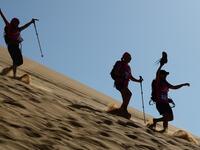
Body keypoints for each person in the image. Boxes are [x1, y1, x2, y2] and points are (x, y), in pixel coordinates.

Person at [148, 52, 190, 133]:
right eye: (164, 74)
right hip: (160, 103)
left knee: (169, 118)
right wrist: (161, 65)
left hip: (165, 103)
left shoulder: (166, 83)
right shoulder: (157, 82)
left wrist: (183, 84)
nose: (166, 75)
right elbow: (157, 73)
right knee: (168, 117)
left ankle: (164, 130)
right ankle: (155, 121)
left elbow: (174, 87)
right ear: (161, 75)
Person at [0, 9, 35, 78]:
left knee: (20, 62)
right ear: (13, 23)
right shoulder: (10, 26)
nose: (17, 24)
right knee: (16, 60)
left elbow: (24, 26)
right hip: (11, 46)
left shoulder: (16, 28)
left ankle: (9, 70)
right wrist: (31, 22)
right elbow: (3, 16)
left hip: (15, 46)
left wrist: (31, 22)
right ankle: (14, 75)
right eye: (16, 23)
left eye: (17, 23)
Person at [111, 52, 143, 116]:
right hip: (119, 83)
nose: (130, 59)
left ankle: (120, 111)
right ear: (125, 57)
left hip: (124, 85)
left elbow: (130, 77)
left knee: (126, 98)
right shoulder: (119, 63)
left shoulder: (128, 67)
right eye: (129, 58)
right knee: (129, 94)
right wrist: (121, 75)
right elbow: (116, 72)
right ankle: (123, 110)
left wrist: (138, 81)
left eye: (130, 58)